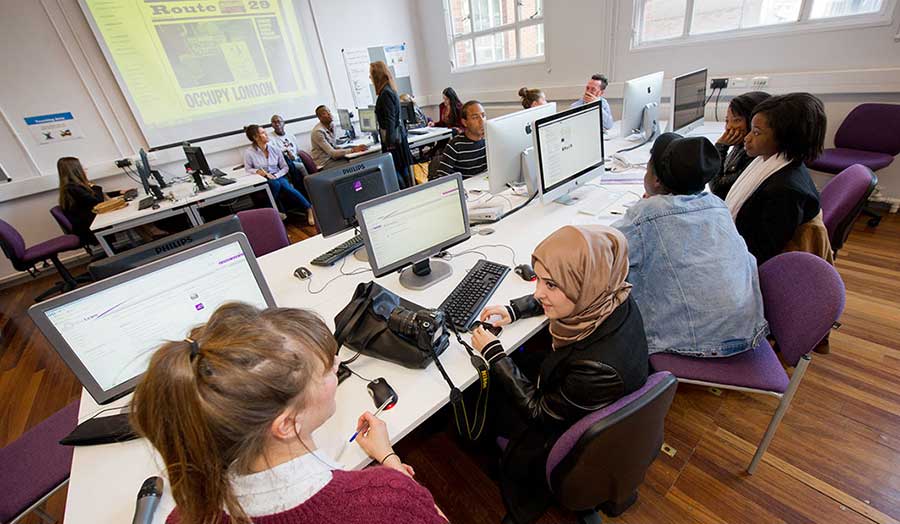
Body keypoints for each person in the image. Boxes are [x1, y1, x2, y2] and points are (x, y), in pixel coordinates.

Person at [130, 303, 447, 524]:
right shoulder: (386, 499)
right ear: (285, 424)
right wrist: (391, 462)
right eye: (327, 370)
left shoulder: (186, 516)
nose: (338, 365)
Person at [472, 225, 649, 524]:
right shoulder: (609, 294)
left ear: (585, 285)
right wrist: (515, 310)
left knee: (479, 399)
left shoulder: (596, 367)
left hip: (559, 421)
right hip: (579, 392)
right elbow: (570, 293)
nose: (538, 292)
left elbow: (538, 413)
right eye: (539, 280)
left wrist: (494, 354)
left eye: (550, 285)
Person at [612, 132, 768, 357]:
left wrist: (643, 208)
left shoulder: (648, 214)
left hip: (692, 343)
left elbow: (605, 252)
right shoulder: (716, 205)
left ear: (656, 180)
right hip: (745, 331)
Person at [726, 92, 832, 264]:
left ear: (786, 138)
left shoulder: (785, 190)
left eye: (756, 133)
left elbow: (761, 253)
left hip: (757, 263)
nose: (747, 137)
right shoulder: (780, 163)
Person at [243, 124, 314, 224]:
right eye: (263, 133)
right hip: (263, 179)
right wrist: (258, 171)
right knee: (275, 184)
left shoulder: (274, 149)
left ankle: (308, 208)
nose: (266, 134)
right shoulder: (249, 153)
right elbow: (248, 169)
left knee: (284, 185)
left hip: (278, 175)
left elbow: (285, 167)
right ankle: (275, 211)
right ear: (255, 137)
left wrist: (276, 175)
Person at [709, 92, 771, 200]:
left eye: (736, 120)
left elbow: (718, 190)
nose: (729, 126)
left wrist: (720, 148)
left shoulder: (756, 154)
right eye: (727, 121)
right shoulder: (740, 145)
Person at [371, 61, 414, 189]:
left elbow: (390, 119)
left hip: (393, 141)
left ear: (377, 76)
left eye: (371, 75)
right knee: (402, 171)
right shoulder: (390, 90)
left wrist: (389, 144)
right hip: (397, 139)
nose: (370, 78)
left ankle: (405, 193)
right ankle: (408, 191)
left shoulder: (385, 93)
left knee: (396, 171)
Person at [57, 157, 106, 245]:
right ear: (75, 170)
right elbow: (97, 200)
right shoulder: (73, 188)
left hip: (88, 223)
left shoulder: (72, 186)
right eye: (81, 167)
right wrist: (94, 186)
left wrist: (119, 192)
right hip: (88, 228)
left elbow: (92, 196)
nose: (85, 169)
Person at [435, 100, 487, 179]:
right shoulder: (455, 145)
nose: (482, 121)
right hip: (467, 185)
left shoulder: (488, 140)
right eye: (475, 117)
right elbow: (441, 176)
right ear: (465, 122)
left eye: (483, 116)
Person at [309, 106, 367, 170]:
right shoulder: (318, 132)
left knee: (357, 159)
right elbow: (333, 153)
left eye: (329, 111)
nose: (329, 114)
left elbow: (333, 146)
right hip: (325, 163)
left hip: (333, 158)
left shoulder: (332, 126)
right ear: (319, 117)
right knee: (355, 163)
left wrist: (351, 148)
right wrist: (353, 150)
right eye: (324, 113)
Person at [270, 114, 312, 199]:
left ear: (283, 123)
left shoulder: (290, 135)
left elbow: (297, 150)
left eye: (279, 121)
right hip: (286, 163)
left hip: (296, 159)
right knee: (301, 166)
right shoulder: (271, 138)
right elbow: (274, 153)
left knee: (306, 163)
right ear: (272, 125)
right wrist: (286, 152)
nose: (277, 124)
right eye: (274, 122)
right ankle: (311, 187)